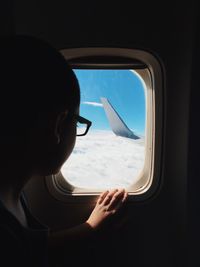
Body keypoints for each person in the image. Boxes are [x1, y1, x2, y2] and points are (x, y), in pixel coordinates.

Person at [0, 35, 128, 267]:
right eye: (78, 122)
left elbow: (29, 247)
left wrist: (90, 228)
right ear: (57, 125)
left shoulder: (11, 190)